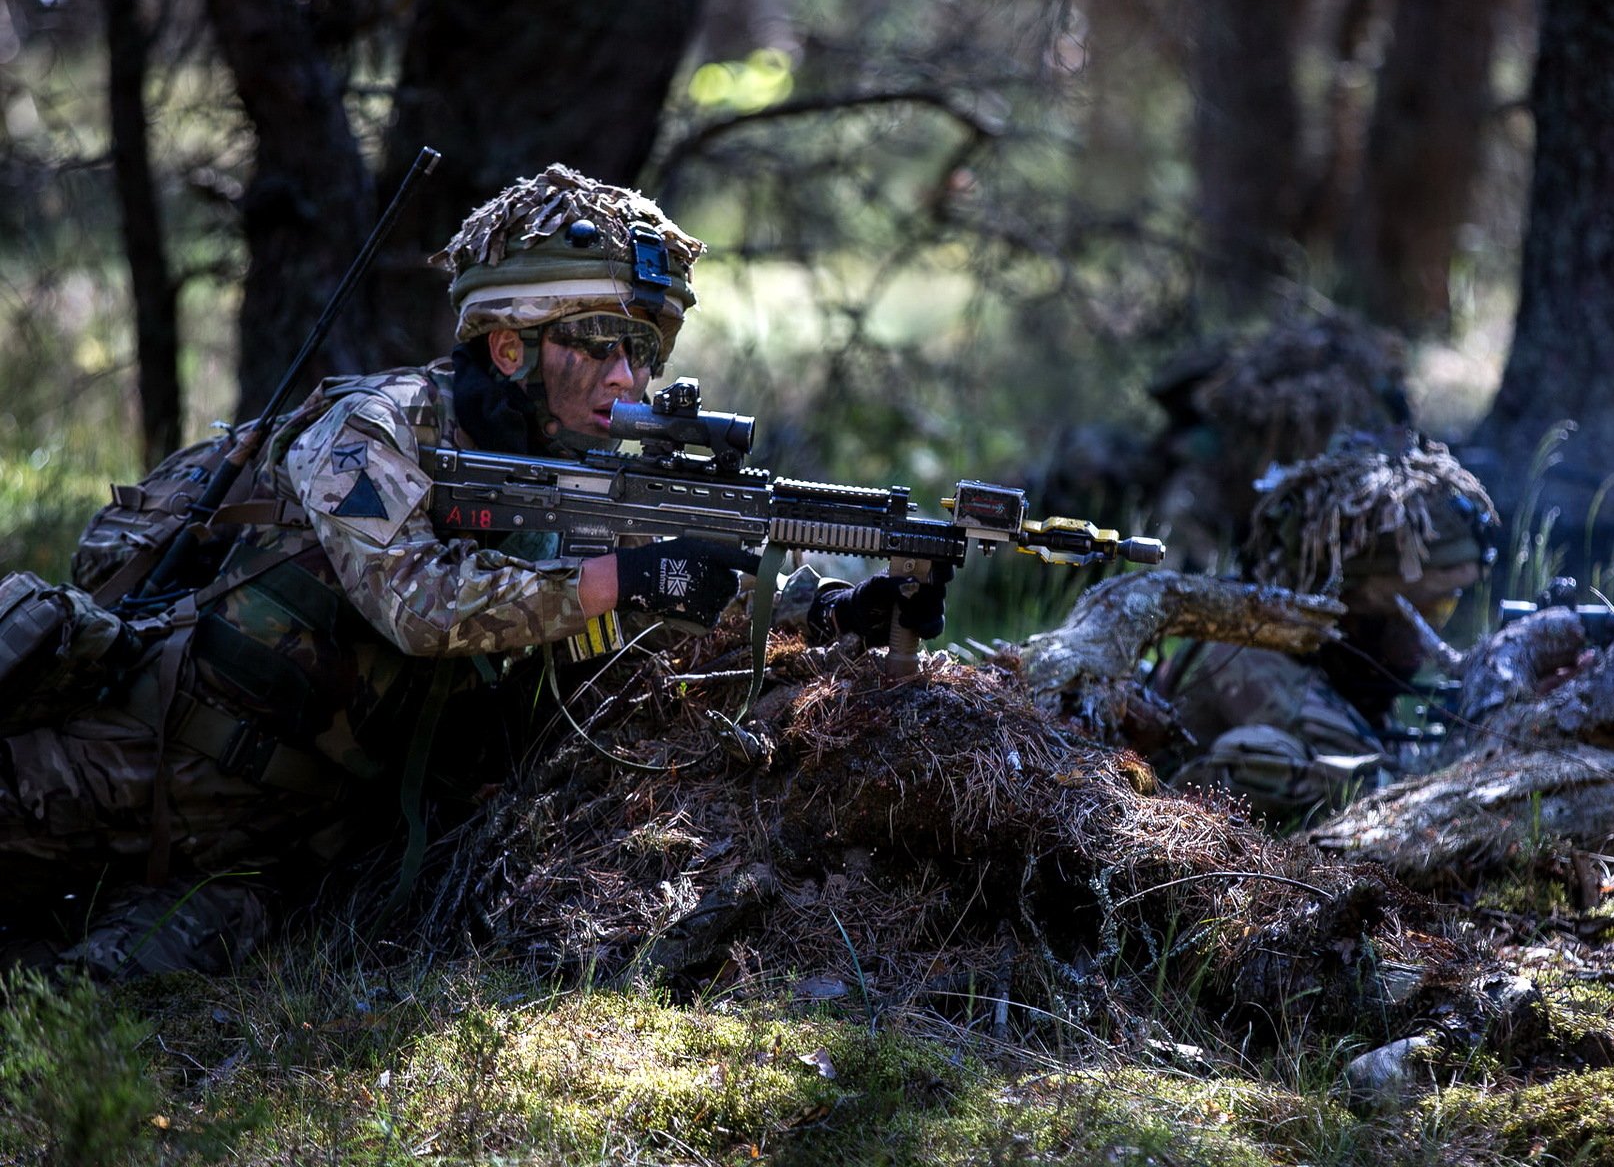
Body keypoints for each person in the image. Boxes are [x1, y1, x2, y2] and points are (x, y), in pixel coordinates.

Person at [0, 164, 942, 975]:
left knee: (93, 992)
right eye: (605, 343)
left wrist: (829, 614)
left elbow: (675, 612)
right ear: (510, 345)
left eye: (647, 350)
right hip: (121, 762)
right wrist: (620, 581)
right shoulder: (373, 428)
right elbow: (413, 600)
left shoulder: (586, 479)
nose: (631, 378)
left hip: (262, 858)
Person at [1164, 431, 1495, 825]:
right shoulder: (1249, 653)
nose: (1431, 635)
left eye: (1449, 605)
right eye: (1427, 609)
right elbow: (1382, 791)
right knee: (1266, 758)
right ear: (1348, 604)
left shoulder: (1347, 666)